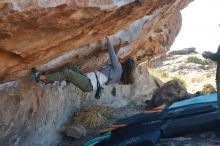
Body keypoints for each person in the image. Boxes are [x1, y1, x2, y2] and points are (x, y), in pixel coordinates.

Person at [33, 37, 136, 94]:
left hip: (88, 83)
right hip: (88, 80)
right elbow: (115, 58)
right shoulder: (118, 73)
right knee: (70, 66)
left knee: (67, 73)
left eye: (124, 59)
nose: (122, 59)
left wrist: (108, 41)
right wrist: (118, 45)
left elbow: (113, 56)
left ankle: (40, 77)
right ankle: (49, 80)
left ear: (124, 63)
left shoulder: (118, 68)